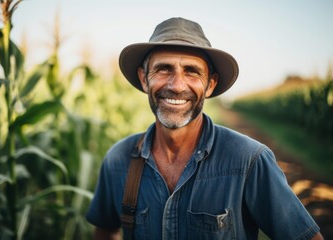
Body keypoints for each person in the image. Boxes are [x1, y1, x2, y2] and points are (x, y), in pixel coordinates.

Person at [86, 17, 323, 240]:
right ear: (144, 78)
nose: (177, 85)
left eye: (191, 71)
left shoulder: (249, 161)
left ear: (210, 84)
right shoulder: (118, 160)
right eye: (164, 69)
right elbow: (105, 232)